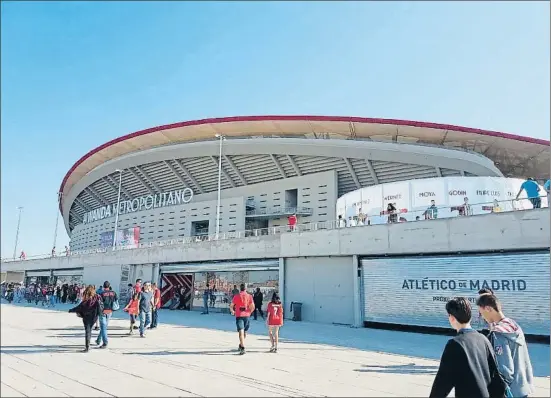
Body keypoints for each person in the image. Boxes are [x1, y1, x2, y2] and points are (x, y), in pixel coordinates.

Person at [429, 297, 506, 398]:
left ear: (451, 317)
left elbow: (442, 382)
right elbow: (495, 375)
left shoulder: (455, 344)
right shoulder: (483, 339)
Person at [477, 294, 534, 398]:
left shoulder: (498, 334)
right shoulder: (514, 326)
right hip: (523, 386)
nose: (482, 317)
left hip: (511, 392)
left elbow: (505, 370)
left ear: (488, 308)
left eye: (481, 313)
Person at [68, 285, 103, 352]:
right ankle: (88, 345)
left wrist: (71, 310)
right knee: (89, 330)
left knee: (87, 331)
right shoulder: (97, 298)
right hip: (94, 317)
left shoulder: (86, 299)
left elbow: (79, 307)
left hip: (86, 317)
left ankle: (87, 347)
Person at [230, 283, 255, 355]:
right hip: (247, 315)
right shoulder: (249, 296)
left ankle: (242, 346)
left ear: (240, 288)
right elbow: (252, 306)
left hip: (239, 315)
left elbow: (231, 306)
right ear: (246, 288)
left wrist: (233, 311)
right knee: (244, 331)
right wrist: (249, 312)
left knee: (241, 330)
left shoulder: (236, 296)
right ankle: (242, 345)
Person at [96, 281, 118, 349]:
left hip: (102, 312)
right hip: (110, 311)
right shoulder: (113, 293)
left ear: (103, 286)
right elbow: (116, 301)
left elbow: (98, 303)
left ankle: (105, 342)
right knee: (104, 327)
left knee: (103, 327)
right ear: (109, 286)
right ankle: (98, 340)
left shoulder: (101, 293)